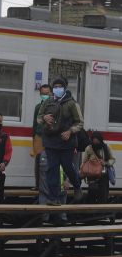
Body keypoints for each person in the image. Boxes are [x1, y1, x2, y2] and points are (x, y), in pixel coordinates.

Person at [37, 77, 84, 205]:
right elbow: (39, 118)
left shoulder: (72, 103)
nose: (57, 89)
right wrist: (44, 118)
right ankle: (53, 198)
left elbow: (79, 122)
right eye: (55, 86)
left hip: (66, 143)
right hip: (50, 141)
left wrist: (70, 131)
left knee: (68, 167)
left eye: (60, 86)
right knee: (52, 169)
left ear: (64, 88)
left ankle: (77, 186)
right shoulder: (47, 102)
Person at [82, 131, 116, 204]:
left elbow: (112, 159)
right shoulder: (89, 148)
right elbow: (84, 162)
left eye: (97, 141)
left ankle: (102, 213)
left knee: (103, 196)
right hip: (92, 176)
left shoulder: (106, 147)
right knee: (91, 196)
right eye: (94, 141)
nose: (95, 143)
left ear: (100, 140)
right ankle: (92, 214)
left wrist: (105, 163)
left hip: (104, 176)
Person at [31, 84, 51, 189]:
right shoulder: (38, 107)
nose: (45, 95)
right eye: (43, 94)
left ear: (51, 93)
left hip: (51, 137)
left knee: (50, 161)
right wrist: (33, 138)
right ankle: (38, 185)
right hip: (39, 136)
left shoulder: (55, 106)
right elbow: (35, 124)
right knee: (38, 161)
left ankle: (48, 185)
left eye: (47, 93)